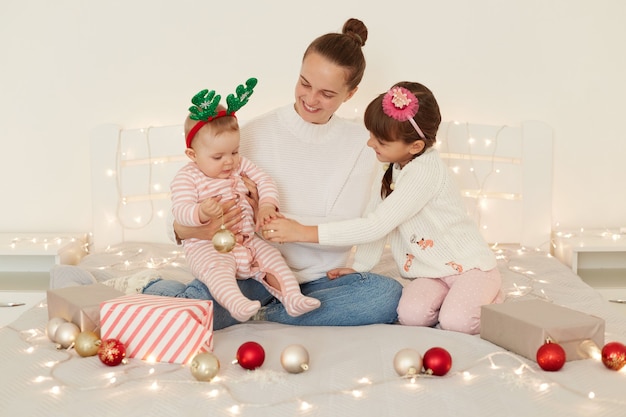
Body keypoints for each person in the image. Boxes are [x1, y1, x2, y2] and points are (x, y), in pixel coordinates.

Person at [143, 18, 403, 330]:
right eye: (304, 83)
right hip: (251, 271)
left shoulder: (363, 145)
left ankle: (260, 314)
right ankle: (252, 308)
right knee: (219, 289)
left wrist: (269, 218)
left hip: (321, 281)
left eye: (327, 93)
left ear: (350, 94)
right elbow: (179, 212)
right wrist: (192, 227)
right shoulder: (251, 135)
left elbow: (347, 233)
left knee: (386, 294)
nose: (310, 99)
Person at [264, 81, 503, 335]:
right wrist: (360, 267)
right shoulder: (392, 167)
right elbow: (373, 217)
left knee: (456, 322)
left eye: (380, 141)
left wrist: (303, 232)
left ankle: (490, 296)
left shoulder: (424, 172)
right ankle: (453, 301)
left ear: (415, 147)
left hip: (469, 268)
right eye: (371, 136)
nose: (370, 144)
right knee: (410, 315)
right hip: (431, 272)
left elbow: (376, 226)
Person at [170, 78, 321, 322]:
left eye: (234, 152)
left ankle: (292, 299)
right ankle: (236, 304)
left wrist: (266, 205)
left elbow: (265, 181)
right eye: (218, 156)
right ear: (192, 155)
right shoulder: (187, 177)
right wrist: (201, 212)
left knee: (274, 259)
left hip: (248, 240)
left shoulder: (240, 166)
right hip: (208, 247)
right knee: (218, 270)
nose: (229, 161)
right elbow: (180, 210)